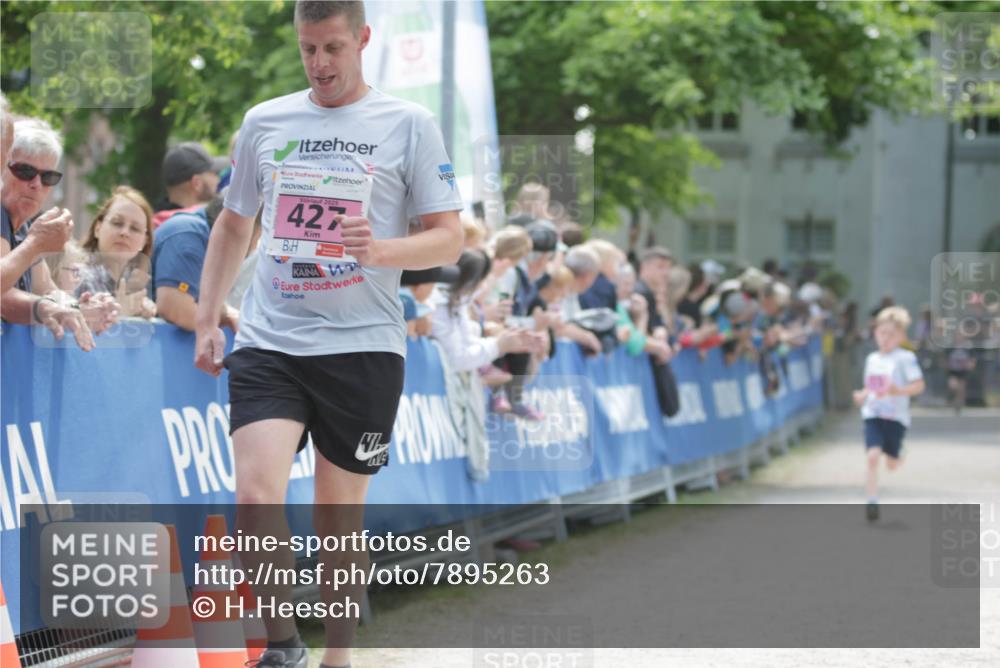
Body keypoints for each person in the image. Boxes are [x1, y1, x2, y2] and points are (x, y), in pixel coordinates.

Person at [192, 3, 465, 666]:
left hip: (363, 344)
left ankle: (338, 654)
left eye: (333, 48)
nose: (319, 65)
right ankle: (284, 648)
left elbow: (450, 236)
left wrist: (382, 250)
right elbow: (234, 225)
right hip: (271, 337)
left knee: (334, 515)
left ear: (364, 40)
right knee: (256, 493)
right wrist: (207, 316)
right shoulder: (266, 120)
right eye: (308, 49)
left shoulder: (409, 124)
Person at [1, 117, 117, 344]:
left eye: (48, 177)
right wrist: (48, 308)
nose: (36, 184)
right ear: (2, 165)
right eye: (24, 171)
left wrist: (80, 308)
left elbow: (48, 291)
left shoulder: (24, 228)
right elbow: (2, 295)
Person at [852, 306, 925, 522]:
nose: (885, 338)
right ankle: (872, 500)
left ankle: (898, 452)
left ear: (901, 336)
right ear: (875, 333)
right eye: (882, 333)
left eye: (891, 334)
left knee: (892, 464)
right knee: (872, 457)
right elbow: (870, 385)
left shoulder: (906, 358)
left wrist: (898, 391)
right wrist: (862, 395)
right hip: (873, 414)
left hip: (896, 418)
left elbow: (919, 385)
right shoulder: (872, 359)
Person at [153, 194, 239, 331]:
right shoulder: (189, 233)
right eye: (257, 236)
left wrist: (224, 312)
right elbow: (175, 308)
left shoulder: (202, 234)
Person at [78, 186, 156, 318]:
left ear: (145, 241)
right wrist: (122, 314)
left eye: (135, 229)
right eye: (117, 223)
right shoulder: (77, 277)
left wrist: (145, 310)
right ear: (98, 228)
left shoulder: (138, 285)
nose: (124, 233)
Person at [152, 141, 227, 226]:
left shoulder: (152, 225)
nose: (218, 179)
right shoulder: (204, 226)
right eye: (214, 173)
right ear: (196, 183)